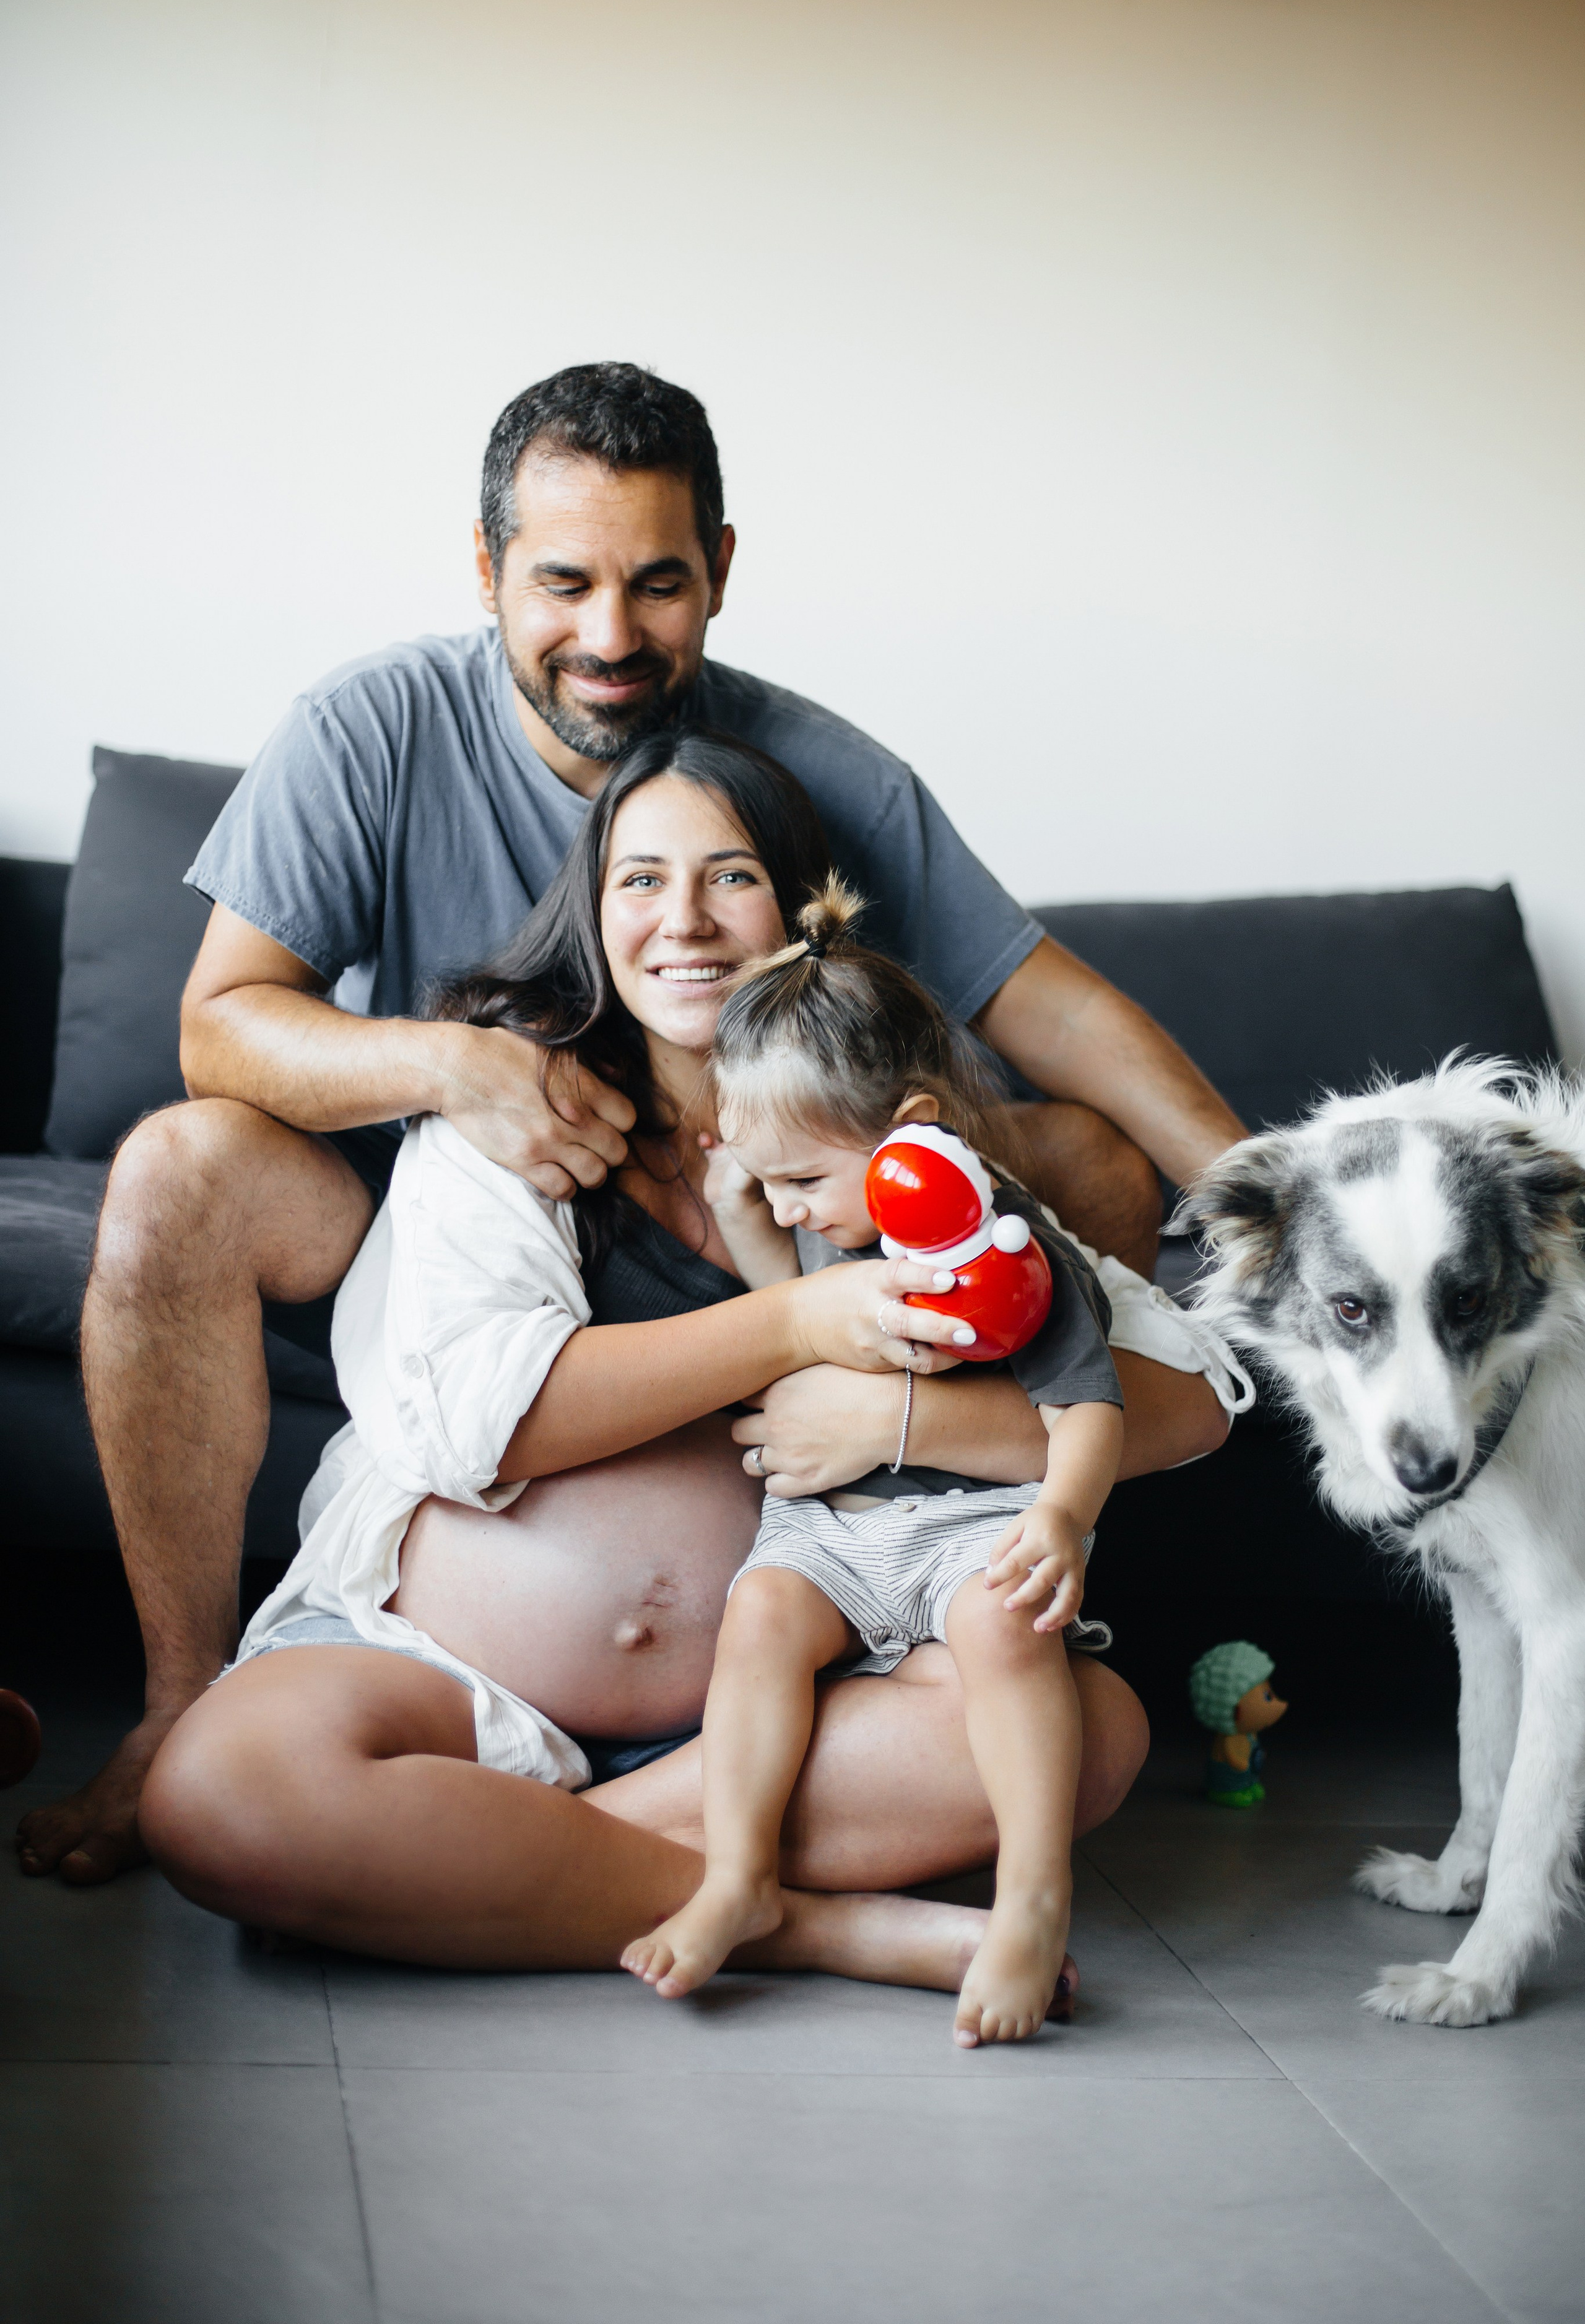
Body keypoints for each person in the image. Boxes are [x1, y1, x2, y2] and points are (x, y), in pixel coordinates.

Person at [20, 360, 1244, 1885]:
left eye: (656, 585)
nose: (608, 636)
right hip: (424, 1219)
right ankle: (178, 1709)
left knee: (1073, 1157)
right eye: (563, 583)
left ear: (719, 574)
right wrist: (454, 1068)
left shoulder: (811, 773)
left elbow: (1047, 1006)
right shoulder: (370, 730)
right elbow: (219, 1030)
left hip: (770, 1212)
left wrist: (1270, 1210)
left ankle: (969, 1565)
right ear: (487, 572)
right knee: (179, 1167)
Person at [139, 733, 1245, 1992]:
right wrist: (795, 1328)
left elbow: (1190, 1404)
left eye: (730, 878)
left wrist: (895, 1423)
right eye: (639, 881)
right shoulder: (525, 1118)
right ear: (591, 910)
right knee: (219, 1796)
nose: (684, 921)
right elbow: (472, 1428)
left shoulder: (900, 1159)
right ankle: (811, 1923)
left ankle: (461, 1872)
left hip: (788, 1718)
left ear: (793, 911)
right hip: (447, 1681)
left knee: (1089, 1733)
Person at [623, 880, 1139, 2042]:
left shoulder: (1009, 1251)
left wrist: (1060, 1517)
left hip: (972, 1523)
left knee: (1009, 1631)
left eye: (802, 1179)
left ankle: (1030, 1902)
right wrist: (759, 1219)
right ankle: (740, 1875)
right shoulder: (841, 1216)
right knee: (760, 1617)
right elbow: (810, 1323)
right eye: (774, 1184)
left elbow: (1091, 1408)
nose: (792, 1204)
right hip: (838, 1521)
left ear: (912, 1130)